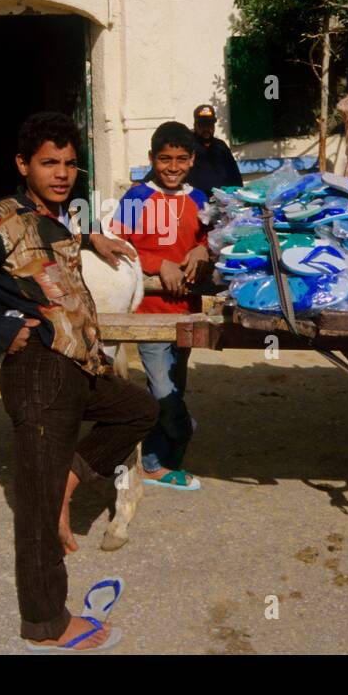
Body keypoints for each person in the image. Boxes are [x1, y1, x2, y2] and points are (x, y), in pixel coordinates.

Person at [0, 111, 156, 652]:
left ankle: (71, 481)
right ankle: (47, 623)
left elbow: (49, 260)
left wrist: (90, 238)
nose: (62, 172)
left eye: (71, 163)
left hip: (77, 365)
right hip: (37, 373)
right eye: (49, 162)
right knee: (34, 504)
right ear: (23, 164)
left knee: (139, 409)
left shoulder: (52, 216)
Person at [112, 121, 211, 492]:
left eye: (181, 159)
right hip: (149, 314)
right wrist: (157, 263)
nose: (172, 167)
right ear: (151, 158)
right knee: (161, 391)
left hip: (187, 313)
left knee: (174, 388)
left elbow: (214, 242)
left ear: (192, 159)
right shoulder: (137, 198)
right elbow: (117, 246)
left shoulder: (200, 200)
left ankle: (162, 460)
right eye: (165, 159)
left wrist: (204, 249)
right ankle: (163, 452)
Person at [186, 105, 243, 194]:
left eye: (209, 125)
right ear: (195, 125)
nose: (206, 129)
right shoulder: (188, 146)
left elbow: (236, 176)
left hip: (224, 201)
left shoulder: (221, 146)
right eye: (202, 125)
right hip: (199, 202)